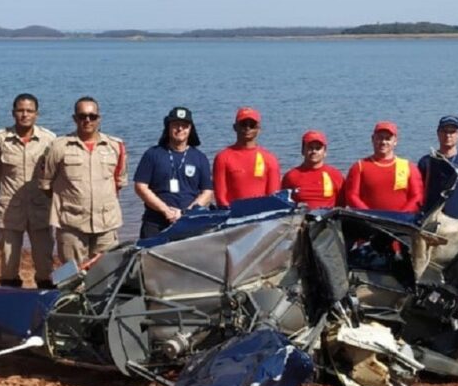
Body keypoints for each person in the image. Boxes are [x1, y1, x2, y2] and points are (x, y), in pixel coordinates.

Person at [39, 96, 127, 265]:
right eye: (82, 116)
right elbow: (46, 184)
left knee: (106, 274)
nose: (87, 120)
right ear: (75, 118)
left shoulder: (115, 146)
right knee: (72, 277)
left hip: (106, 225)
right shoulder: (58, 146)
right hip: (71, 224)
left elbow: (118, 182)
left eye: (92, 116)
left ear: (99, 118)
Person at [0, 93, 56, 288]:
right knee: (8, 265)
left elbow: (52, 174)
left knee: (45, 265)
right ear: (13, 113)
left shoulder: (49, 139)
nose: (24, 115)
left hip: (40, 208)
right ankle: (10, 303)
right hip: (10, 208)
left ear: (37, 114)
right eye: (20, 110)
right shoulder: (0, 139)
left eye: (29, 111)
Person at [133, 107, 213, 239]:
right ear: (168, 127)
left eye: (184, 125)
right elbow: (140, 186)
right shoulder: (152, 154)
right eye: (176, 125)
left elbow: (207, 192)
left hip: (189, 222)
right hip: (155, 222)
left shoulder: (200, 158)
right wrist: (165, 210)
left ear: (190, 129)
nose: (180, 129)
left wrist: (185, 213)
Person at [344, 121, 424, 213]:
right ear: (373, 139)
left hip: (401, 221)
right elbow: (352, 196)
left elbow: (417, 196)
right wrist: (370, 215)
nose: (383, 142)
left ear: (395, 141)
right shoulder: (359, 166)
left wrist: (400, 216)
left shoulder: (408, 167)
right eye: (380, 138)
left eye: (388, 138)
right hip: (368, 221)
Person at [212, 107, 280, 208]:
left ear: (258, 129)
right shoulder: (222, 157)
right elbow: (221, 197)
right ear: (235, 127)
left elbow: (273, 197)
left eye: (252, 125)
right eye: (243, 124)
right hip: (233, 216)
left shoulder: (269, 159)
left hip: (262, 216)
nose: (247, 128)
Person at [418, 115, 458, 218]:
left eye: (452, 132)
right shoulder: (426, 161)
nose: (448, 135)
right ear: (438, 133)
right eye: (444, 131)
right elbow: (419, 193)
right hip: (433, 220)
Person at [280, 130, 344, 209]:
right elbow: (283, 205)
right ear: (303, 150)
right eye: (310, 148)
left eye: (318, 148)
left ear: (325, 152)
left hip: (328, 219)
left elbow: (342, 205)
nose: (314, 151)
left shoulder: (335, 175)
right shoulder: (291, 176)